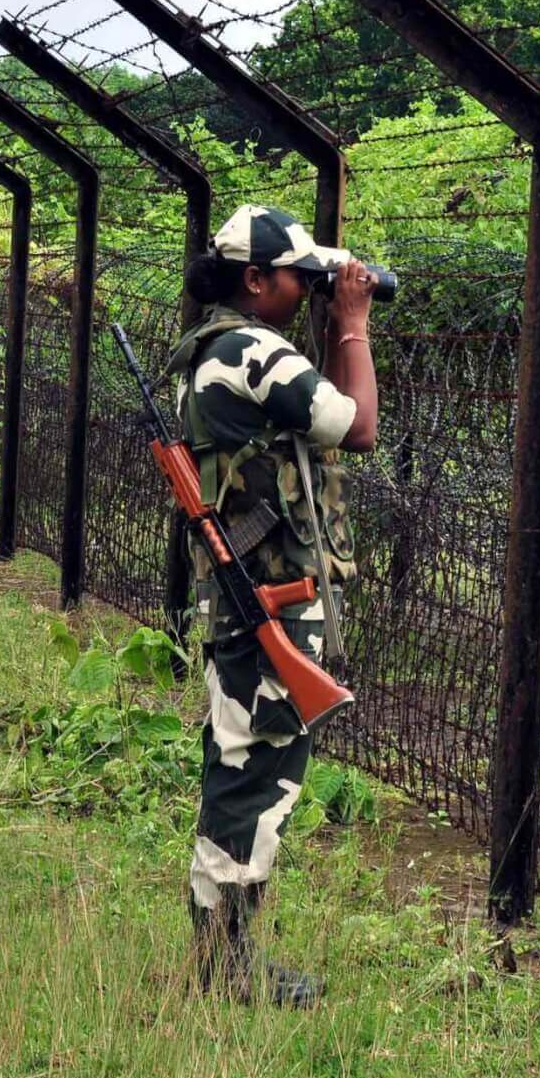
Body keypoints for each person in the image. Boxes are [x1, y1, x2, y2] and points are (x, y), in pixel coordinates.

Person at [165, 204, 380, 1008]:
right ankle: (226, 967)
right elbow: (355, 426)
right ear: (255, 281)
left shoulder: (219, 349)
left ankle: (227, 956)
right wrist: (353, 323)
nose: (312, 287)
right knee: (252, 776)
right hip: (271, 604)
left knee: (248, 768)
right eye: (300, 275)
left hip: (255, 597)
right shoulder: (253, 350)